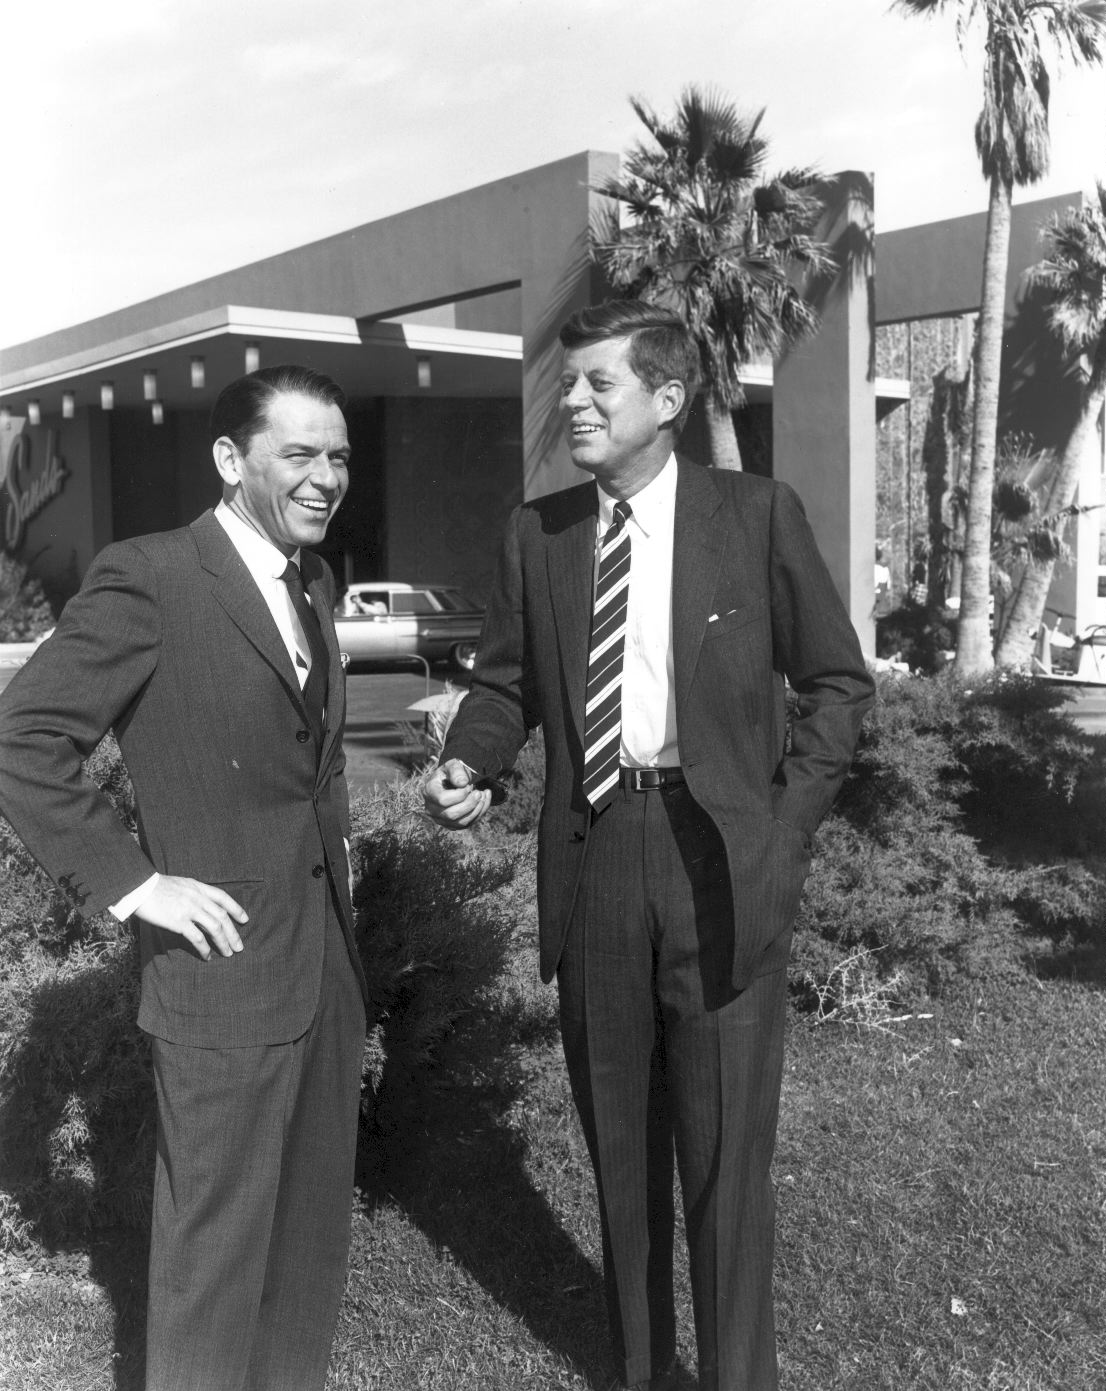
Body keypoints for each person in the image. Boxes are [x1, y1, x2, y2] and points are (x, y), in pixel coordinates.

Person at [424, 301, 874, 1391]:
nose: (570, 404)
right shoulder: (540, 531)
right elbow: (504, 678)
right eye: (567, 385)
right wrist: (472, 760)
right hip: (596, 854)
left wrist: (782, 825)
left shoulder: (754, 513)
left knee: (725, 1162)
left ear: (667, 400)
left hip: (719, 856)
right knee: (620, 1153)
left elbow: (835, 682)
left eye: (596, 386)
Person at [0, 365, 367, 1391]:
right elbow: (22, 738)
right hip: (220, 977)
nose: (326, 475)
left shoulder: (313, 579)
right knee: (211, 1262)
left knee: (303, 1252)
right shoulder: (152, 574)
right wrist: (134, 884)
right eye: (298, 453)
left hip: (323, 968)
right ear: (229, 459)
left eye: (338, 455)